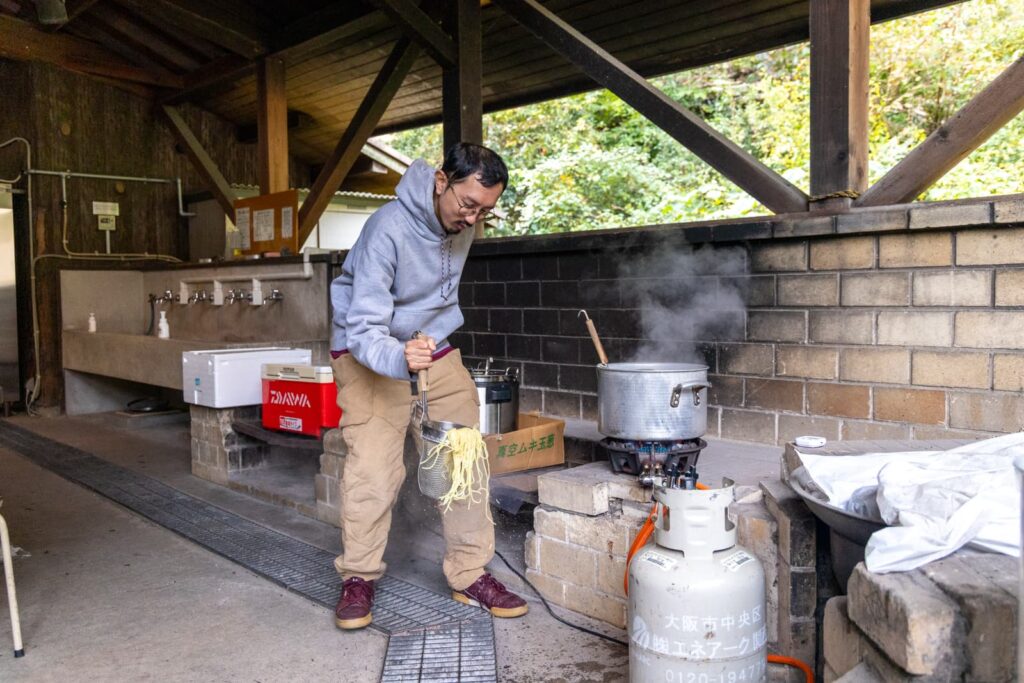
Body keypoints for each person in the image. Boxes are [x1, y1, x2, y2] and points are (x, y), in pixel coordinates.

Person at [329, 142, 529, 630]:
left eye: (485, 211)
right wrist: (398, 358)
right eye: (468, 204)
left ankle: (469, 572)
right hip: (369, 353)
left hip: (432, 349)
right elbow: (362, 327)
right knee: (374, 471)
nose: (473, 219)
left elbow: (435, 297)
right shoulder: (387, 229)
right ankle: (358, 575)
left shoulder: (464, 222)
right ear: (442, 181)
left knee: (464, 461)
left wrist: (420, 348)